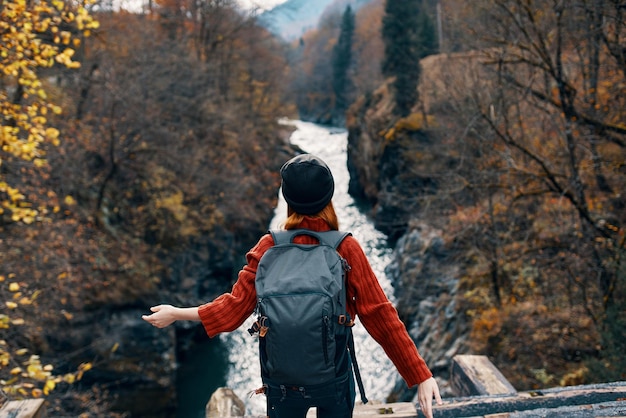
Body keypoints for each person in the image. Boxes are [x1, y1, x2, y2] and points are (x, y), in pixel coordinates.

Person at [142, 153, 442, 418]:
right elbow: (379, 314)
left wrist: (176, 313)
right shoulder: (345, 248)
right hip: (334, 378)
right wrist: (420, 375)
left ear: (287, 198)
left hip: (281, 382)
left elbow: (232, 312)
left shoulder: (267, 246)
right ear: (329, 196)